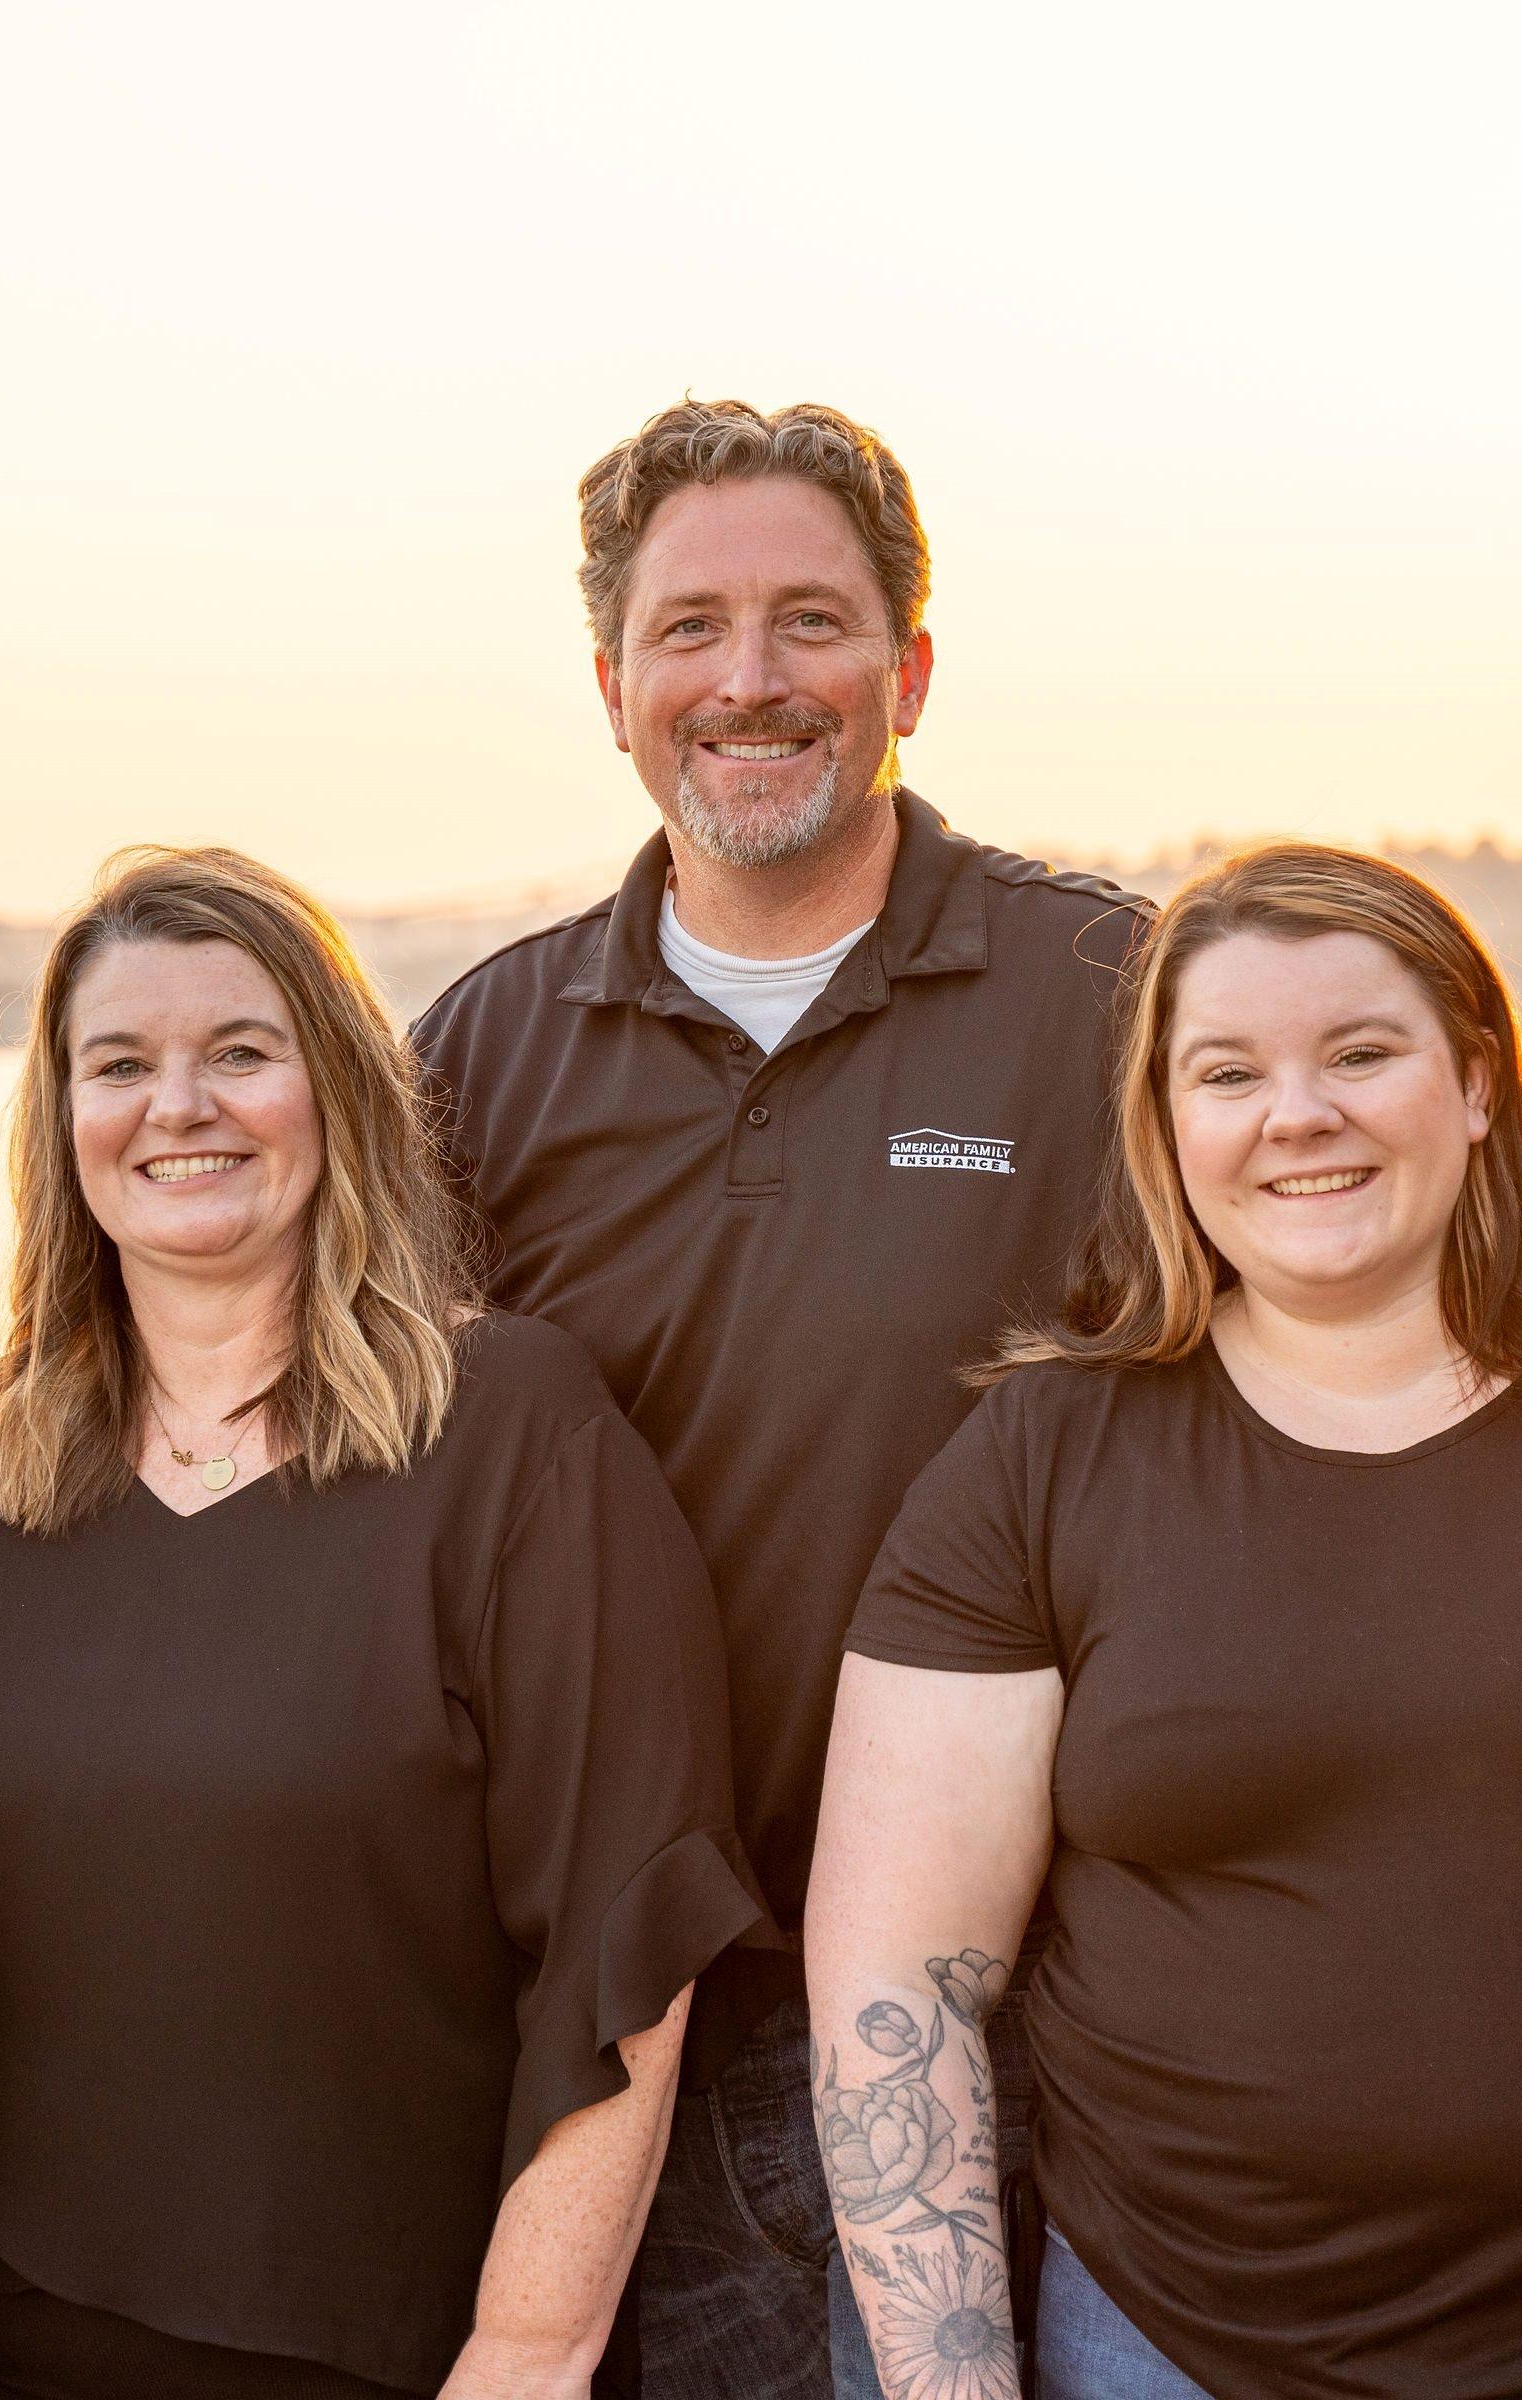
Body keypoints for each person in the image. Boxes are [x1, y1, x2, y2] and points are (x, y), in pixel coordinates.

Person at [812, 843, 1522, 2399]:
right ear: (1165, 1124)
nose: (1300, 1115)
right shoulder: (1044, 1458)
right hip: (1169, 2348)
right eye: (1229, 1073)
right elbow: (902, 1983)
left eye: (1361, 1052)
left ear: (1477, 1082)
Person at [411, 398, 1145, 2395]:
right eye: (692, 631)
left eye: (811, 623)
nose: (751, 683)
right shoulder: (487, 1052)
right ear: (612, 687)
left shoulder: (1110, 1000)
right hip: (645, 2015)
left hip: (1040, 2001)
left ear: (911, 668)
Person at [0, 845, 770, 2400]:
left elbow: (624, 1941)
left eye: (242, 1053)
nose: (180, 1107)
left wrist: (527, 2349)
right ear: (66, 1125)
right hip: (1, 2330)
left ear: (340, 1096)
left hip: (399, 2350)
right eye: (122, 1064)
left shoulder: (512, 1429)